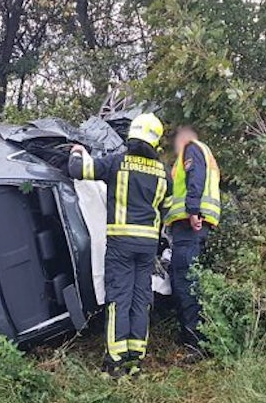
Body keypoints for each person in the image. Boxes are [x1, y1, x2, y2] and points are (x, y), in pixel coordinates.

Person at [68, 113, 169, 376]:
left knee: (118, 299)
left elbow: (78, 171)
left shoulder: (117, 163)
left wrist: (78, 152)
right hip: (147, 246)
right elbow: (165, 210)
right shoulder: (163, 173)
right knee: (140, 299)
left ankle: (114, 362)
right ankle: (136, 359)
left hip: (121, 245)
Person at [165, 125, 221, 355]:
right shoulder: (202, 151)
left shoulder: (191, 149)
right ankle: (192, 335)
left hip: (190, 226)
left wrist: (193, 211)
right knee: (187, 278)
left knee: (185, 281)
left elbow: (195, 177)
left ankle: (197, 342)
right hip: (191, 227)